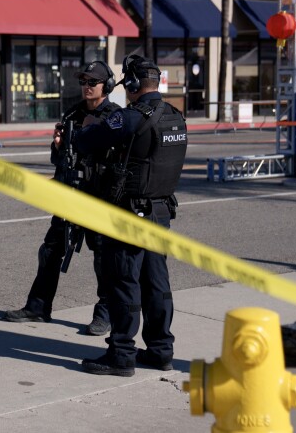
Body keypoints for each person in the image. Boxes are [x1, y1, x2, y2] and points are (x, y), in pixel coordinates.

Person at [73, 55, 188, 376]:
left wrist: (88, 128)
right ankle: (161, 350)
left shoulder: (131, 117)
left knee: (123, 281)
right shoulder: (175, 117)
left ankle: (121, 353)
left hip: (130, 214)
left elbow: (87, 141)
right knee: (156, 282)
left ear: (134, 84)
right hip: (161, 211)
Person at [2, 61, 121, 336]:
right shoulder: (73, 114)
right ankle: (38, 306)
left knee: (102, 256)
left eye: (92, 82)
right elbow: (59, 158)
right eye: (83, 82)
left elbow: (118, 159)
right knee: (51, 249)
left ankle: (105, 313)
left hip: (98, 199)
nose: (86, 87)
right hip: (70, 195)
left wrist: (96, 134)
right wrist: (57, 145)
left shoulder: (114, 117)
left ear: (107, 86)